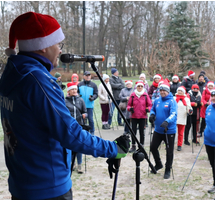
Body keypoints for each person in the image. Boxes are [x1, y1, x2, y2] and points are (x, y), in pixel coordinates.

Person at [0, 12, 130, 200]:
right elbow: (70, 135)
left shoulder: (12, 74)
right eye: (58, 44)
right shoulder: (38, 81)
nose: (60, 50)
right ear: (43, 46)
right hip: (47, 187)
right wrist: (112, 149)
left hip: (23, 183)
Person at [149, 80, 177, 179]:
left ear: (168, 91)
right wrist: (152, 115)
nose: (162, 92)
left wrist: (167, 121)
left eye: (164, 90)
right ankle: (158, 164)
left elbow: (174, 114)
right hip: (158, 129)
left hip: (169, 130)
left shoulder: (172, 101)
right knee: (153, 147)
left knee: (169, 151)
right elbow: (153, 109)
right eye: (160, 90)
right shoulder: (157, 100)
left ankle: (168, 169)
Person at [65, 82, 88, 174]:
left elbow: (85, 112)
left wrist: (84, 115)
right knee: (69, 146)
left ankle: (79, 165)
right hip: (69, 127)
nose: (74, 91)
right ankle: (71, 164)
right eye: (72, 89)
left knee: (79, 145)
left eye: (75, 89)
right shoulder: (65, 101)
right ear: (68, 91)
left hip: (79, 126)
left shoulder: (81, 100)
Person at [127, 80, 152, 152]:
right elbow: (128, 105)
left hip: (143, 117)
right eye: (138, 86)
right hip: (134, 116)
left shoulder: (145, 95)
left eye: (141, 86)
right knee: (133, 132)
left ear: (143, 87)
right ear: (136, 87)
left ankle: (141, 146)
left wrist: (148, 109)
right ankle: (133, 146)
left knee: (142, 132)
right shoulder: (132, 95)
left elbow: (150, 105)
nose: (140, 87)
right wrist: (130, 108)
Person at [78, 71, 98, 135]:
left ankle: (92, 132)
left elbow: (96, 94)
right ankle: (83, 132)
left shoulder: (93, 85)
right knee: (82, 119)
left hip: (89, 105)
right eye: (86, 75)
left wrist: (93, 98)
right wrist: (78, 96)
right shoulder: (80, 84)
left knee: (90, 119)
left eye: (89, 75)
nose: (88, 76)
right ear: (84, 76)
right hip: (81, 105)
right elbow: (77, 92)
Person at [174, 86, 192, 151]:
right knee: (172, 132)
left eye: (181, 91)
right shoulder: (174, 98)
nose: (180, 92)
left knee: (181, 133)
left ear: (184, 92)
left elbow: (189, 107)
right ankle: (170, 144)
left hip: (182, 117)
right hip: (174, 117)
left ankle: (179, 145)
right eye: (179, 90)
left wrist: (190, 111)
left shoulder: (187, 99)